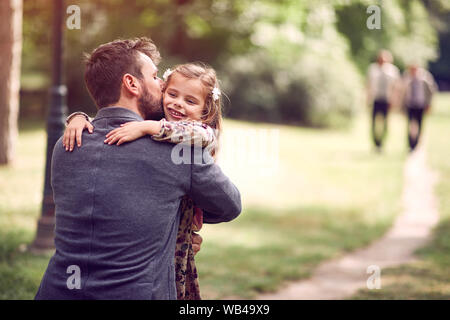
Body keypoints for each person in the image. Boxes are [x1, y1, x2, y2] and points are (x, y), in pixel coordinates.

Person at [34, 38, 242, 300]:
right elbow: (230, 205)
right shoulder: (179, 151)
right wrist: (181, 223)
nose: (162, 86)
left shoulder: (67, 144)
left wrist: (77, 116)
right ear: (132, 84)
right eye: (155, 77)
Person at [63, 63, 222, 300]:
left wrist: (147, 127)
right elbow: (111, 119)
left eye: (190, 101)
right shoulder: (157, 120)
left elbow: (201, 134)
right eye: (172, 94)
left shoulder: (197, 133)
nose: (178, 103)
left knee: (176, 282)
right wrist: (78, 118)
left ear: (205, 112)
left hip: (178, 230)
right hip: (156, 228)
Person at [366, 49, 400, 151]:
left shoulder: (393, 71)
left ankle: (382, 143)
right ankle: (375, 143)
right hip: (375, 98)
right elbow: (368, 84)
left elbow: (396, 87)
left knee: (385, 123)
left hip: (387, 100)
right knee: (373, 122)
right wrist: (367, 98)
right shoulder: (372, 69)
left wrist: (394, 100)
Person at [401, 63, 437, 151]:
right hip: (410, 105)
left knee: (419, 124)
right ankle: (411, 144)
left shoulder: (425, 77)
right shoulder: (407, 77)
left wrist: (429, 104)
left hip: (421, 105)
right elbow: (402, 92)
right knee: (410, 125)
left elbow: (431, 91)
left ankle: (417, 143)